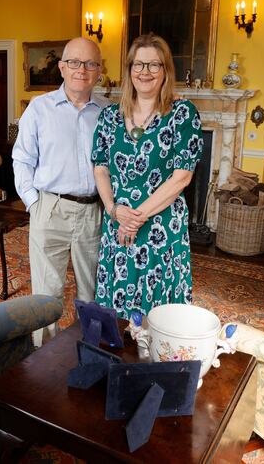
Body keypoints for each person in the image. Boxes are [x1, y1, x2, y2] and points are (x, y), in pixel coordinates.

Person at [91, 33, 203, 319]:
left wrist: (136, 218)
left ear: (165, 71)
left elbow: (182, 177)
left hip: (161, 225)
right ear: (129, 70)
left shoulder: (183, 114)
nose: (145, 72)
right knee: (117, 308)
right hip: (117, 222)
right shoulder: (109, 116)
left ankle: (157, 362)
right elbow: (100, 167)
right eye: (139, 65)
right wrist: (114, 211)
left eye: (154, 65)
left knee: (159, 313)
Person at [12, 37, 110, 346]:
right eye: (74, 62)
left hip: (93, 212)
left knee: (91, 292)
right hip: (50, 209)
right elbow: (22, 158)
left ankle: (89, 352)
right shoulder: (39, 109)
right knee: (46, 295)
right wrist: (33, 203)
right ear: (61, 67)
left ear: (99, 70)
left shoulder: (108, 113)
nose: (82, 69)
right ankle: (42, 363)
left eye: (90, 63)